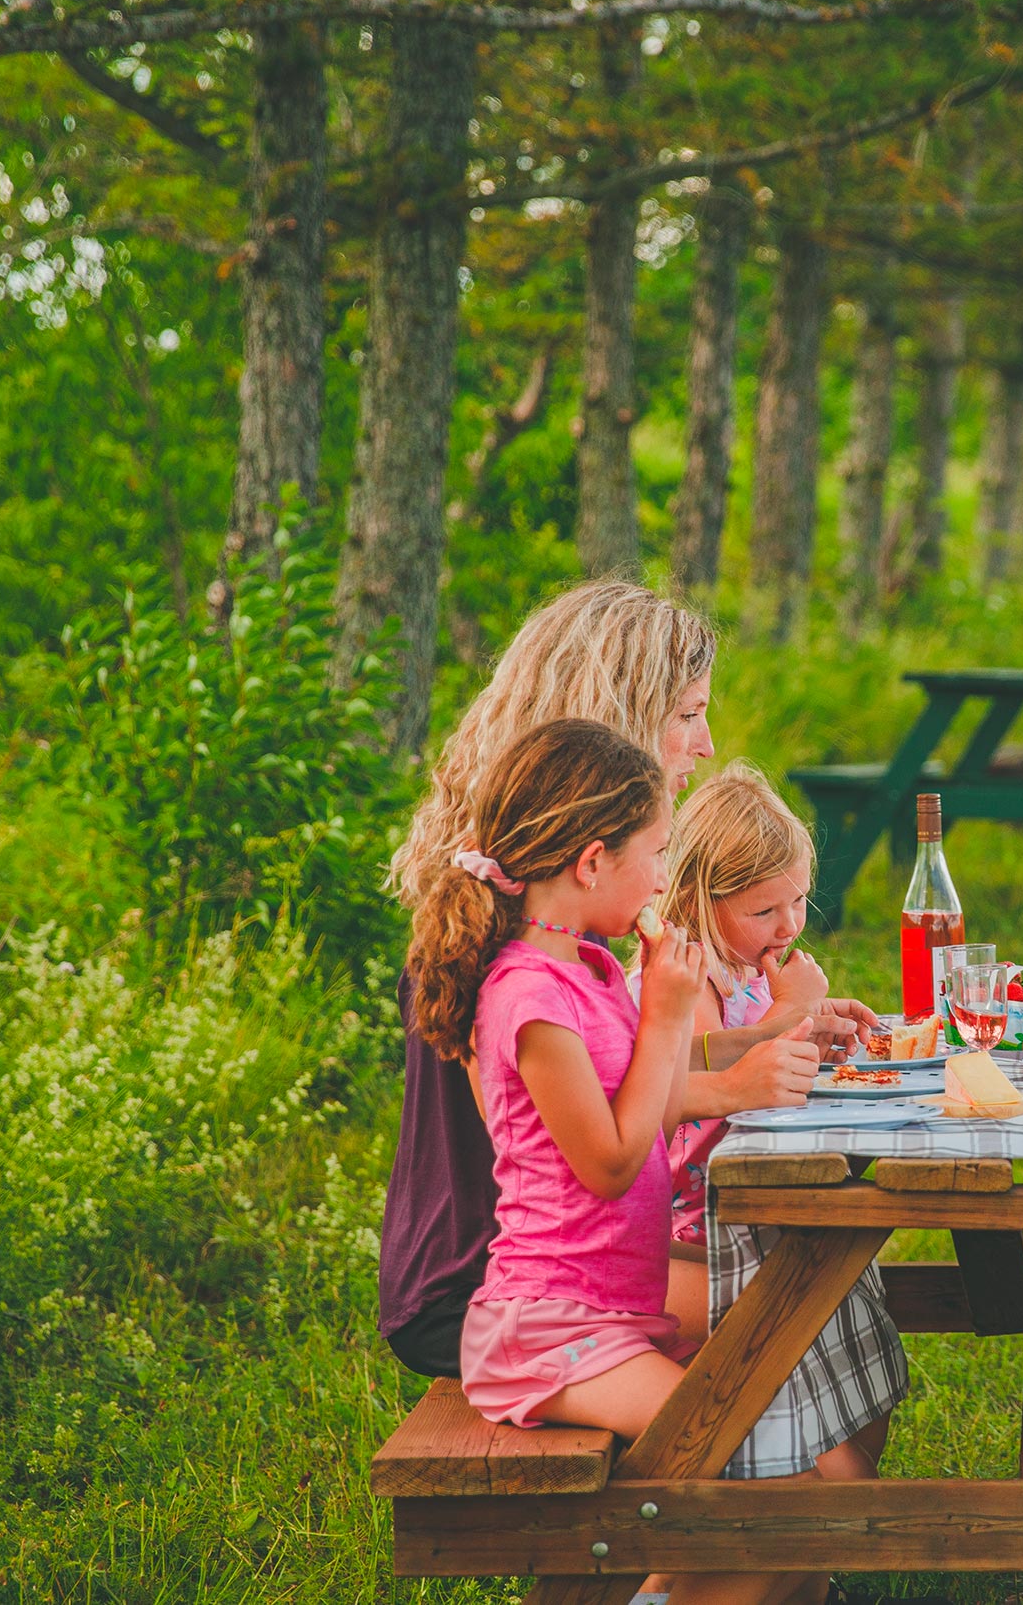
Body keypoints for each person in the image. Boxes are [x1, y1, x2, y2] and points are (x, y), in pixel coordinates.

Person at [378, 580, 874, 1380]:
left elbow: (618, 1071)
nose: (705, 744)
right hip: (501, 1281)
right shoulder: (513, 932)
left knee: (819, 1289)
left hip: (577, 1256)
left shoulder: (560, 905)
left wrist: (769, 1034)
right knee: (800, 1311)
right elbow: (592, 1147)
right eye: (687, 714)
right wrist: (734, 1074)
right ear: (614, 722)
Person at [431, 717, 857, 1605]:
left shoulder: (587, 968)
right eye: (657, 854)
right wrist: (667, 1012)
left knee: (792, 1493)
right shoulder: (530, 999)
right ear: (593, 863)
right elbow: (613, 1162)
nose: (666, 878)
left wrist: (754, 1061)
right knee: (783, 1496)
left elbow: (646, 1103)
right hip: (549, 1330)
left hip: (609, 1314)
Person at [645, 761, 844, 1337]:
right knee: (820, 1272)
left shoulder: (747, 973)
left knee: (836, 1258)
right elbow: (711, 1080)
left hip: (752, 1189)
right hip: (698, 1215)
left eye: (799, 901)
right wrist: (793, 1011)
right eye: (764, 911)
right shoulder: (689, 976)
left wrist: (815, 1030)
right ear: (696, 901)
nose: (789, 926)